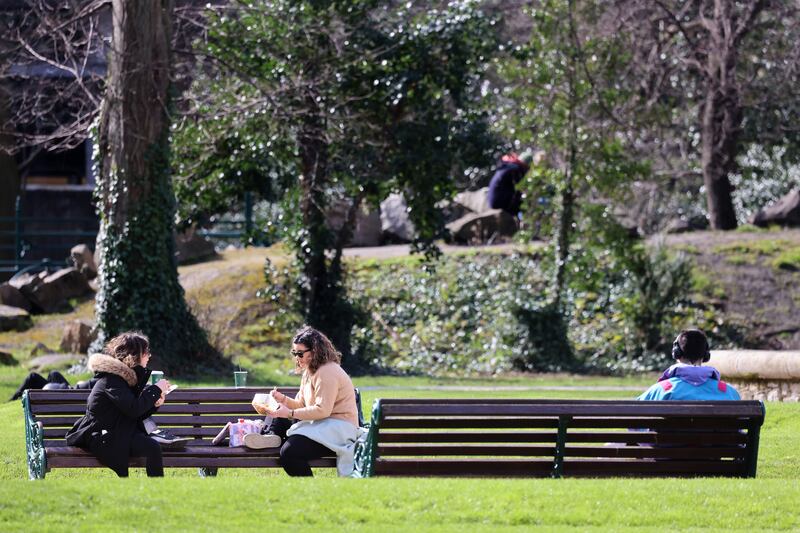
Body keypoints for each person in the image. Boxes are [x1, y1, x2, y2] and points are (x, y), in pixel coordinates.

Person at [243, 325, 364, 477]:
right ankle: (271, 437)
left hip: (338, 430)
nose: (297, 358)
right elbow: (301, 404)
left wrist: (290, 412)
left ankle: (311, 495)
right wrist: (283, 400)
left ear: (314, 351)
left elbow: (322, 410)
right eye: (294, 353)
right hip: (323, 424)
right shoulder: (309, 371)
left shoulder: (327, 372)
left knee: (289, 453)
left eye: (300, 353)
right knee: (279, 416)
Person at [64, 332, 171, 477]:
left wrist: (155, 403)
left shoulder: (125, 378)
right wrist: (156, 389)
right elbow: (133, 409)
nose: (149, 356)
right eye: (146, 352)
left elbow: (132, 412)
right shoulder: (112, 380)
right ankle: (157, 493)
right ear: (133, 355)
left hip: (118, 432)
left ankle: (157, 493)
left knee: (152, 447)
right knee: (152, 447)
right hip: (102, 436)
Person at [638, 329, 740, 401]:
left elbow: (637, 423)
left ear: (676, 353)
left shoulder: (660, 390)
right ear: (706, 355)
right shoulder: (729, 392)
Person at [487, 149, 534, 217]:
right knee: (524, 204)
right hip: (497, 201)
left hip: (493, 199)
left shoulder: (509, 165)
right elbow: (517, 190)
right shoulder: (516, 169)